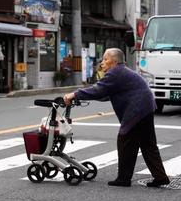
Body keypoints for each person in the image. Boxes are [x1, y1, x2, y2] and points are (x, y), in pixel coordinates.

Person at [64, 48, 170, 188]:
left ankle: (124, 179)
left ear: (114, 61)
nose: (102, 63)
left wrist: (74, 95)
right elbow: (106, 93)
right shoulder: (121, 71)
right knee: (147, 144)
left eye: (105, 59)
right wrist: (83, 97)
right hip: (146, 106)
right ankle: (160, 177)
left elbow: (98, 90)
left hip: (138, 109)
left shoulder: (115, 72)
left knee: (125, 140)